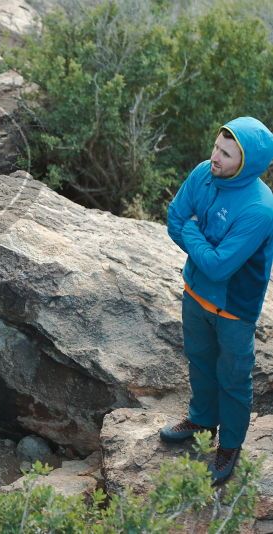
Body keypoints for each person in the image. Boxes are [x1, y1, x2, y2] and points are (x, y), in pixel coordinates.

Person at [161, 116, 273, 484]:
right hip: (194, 293)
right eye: (216, 147)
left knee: (233, 378)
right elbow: (173, 217)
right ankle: (202, 419)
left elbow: (219, 266)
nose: (215, 157)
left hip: (233, 308)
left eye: (226, 154)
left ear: (248, 162)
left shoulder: (260, 208)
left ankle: (230, 445)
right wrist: (197, 240)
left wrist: (193, 230)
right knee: (199, 361)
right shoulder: (202, 173)